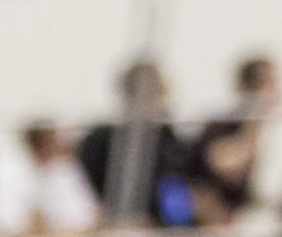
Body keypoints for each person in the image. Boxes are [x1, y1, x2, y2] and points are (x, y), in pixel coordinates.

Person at [77, 57, 195, 227]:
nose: (163, 102)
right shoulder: (98, 142)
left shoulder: (169, 138)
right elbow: (88, 201)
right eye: (158, 93)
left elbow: (182, 197)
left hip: (168, 234)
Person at [190, 54, 280, 226]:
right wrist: (255, 124)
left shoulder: (265, 130)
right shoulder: (221, 126)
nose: (276, 91)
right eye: (269, 84)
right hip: (205, 224)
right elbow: (226, 166)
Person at [0, 122, 99, 237]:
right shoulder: (8, 171)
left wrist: (55, 230)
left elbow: (88, 216)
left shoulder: (64, 168)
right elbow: (6, 223)